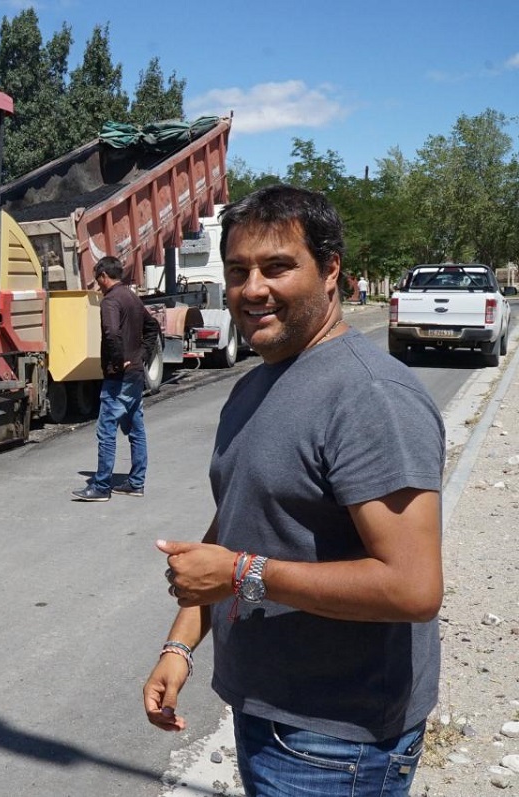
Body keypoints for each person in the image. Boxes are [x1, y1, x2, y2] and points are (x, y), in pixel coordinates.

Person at [142, 185, 444, 797]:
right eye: (238, 271)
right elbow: (237, 522)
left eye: (277, 266)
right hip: (268, 715)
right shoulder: (259, 383)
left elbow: (413, 588)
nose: (253, 289)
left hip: (336, 744)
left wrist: (243, 574)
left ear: (330, 270)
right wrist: (181, 643)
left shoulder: (370, 398)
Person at [71, 256, 160, 501]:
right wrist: (141, 355)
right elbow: (152, 326)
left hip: (118, 376)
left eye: (97, 280)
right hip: (134, 375)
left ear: (103, 276)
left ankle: (101, 487)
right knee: (136, 429)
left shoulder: (110, 301)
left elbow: (111, 333)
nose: (97, 285)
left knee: (106, 431)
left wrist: (119, 359)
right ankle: (136, 482)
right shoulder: (132, 297)